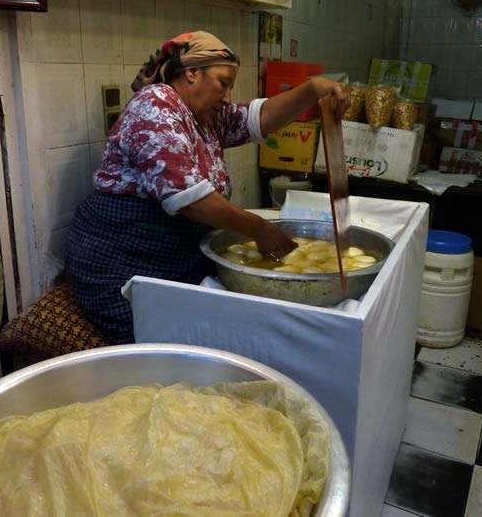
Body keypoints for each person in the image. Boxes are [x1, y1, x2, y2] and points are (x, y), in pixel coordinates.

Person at [66, 30, 348, 344]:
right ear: (191, 73)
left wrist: (312, 90)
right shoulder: (155, 107)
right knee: (159, 343)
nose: (227, 96)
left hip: (172, 255)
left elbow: (257, 118)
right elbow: (190, 201)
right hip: (122, 259)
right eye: (223, 83)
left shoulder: (202, 115)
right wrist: (259, 228)